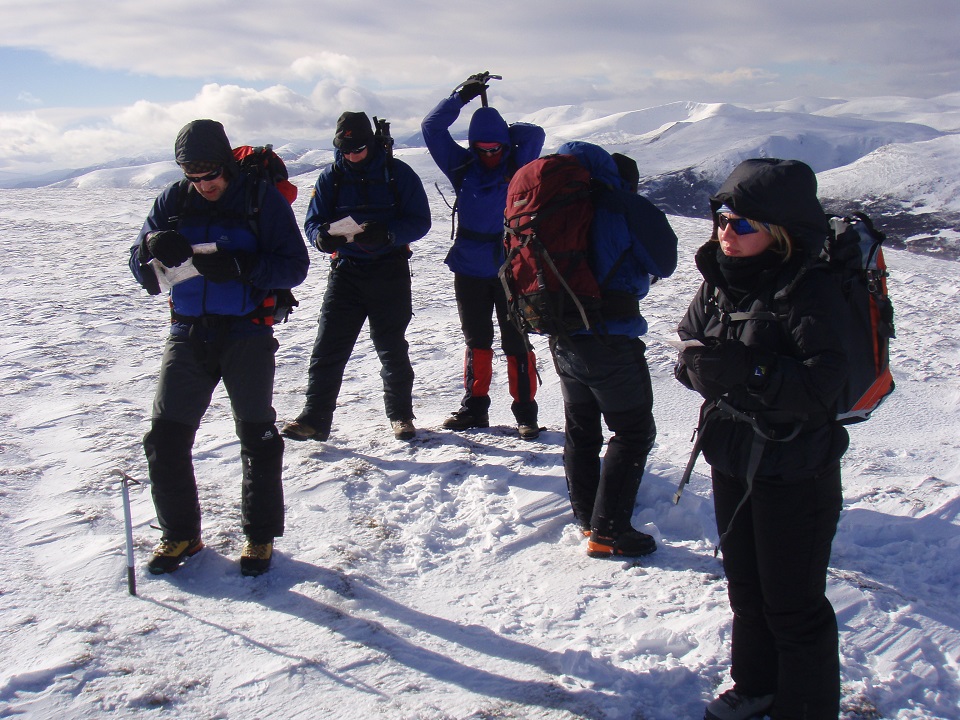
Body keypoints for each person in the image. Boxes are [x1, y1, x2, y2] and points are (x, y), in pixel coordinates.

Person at [673, 158, 849, 720]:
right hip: (730, 457)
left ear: (779, 232)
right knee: (747, 592)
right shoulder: (720, 281)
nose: (727, 232)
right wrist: (702, 369)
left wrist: (747, 372)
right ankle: (757, 686)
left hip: (796, 469)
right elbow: (689, 343)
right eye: (723, 218)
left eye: (743, 224)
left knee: (793, 605)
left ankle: (806, 708)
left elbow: (828, 388)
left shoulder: (812, 290)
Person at [129, 119, 310, 576]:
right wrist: (152, 244)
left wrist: (244, 266)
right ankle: (181, 533)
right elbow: (137, 260)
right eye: (193, 176)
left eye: (210, 175)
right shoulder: (173, 200)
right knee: (164, 437)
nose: (203, 185)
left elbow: (295, 267)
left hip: (246, 332)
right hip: (188, 332)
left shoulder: (259, 199)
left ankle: (259, 537)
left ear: (227, 165)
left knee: (257, 436)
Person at [549, 142, 678, 558]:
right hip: (610, 337)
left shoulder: (551, 203)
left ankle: (588, 514)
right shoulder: (622, 206)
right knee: (634, 431)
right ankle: (609, 530)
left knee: (582, 428)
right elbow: (664, 261)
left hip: (561, 335)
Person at [281, 112, 431, 443]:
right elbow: (312, 222)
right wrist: (321, 237)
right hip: (346, 273)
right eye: (345, 150)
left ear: (372, 144)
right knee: (328, 348)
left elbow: (421, 221)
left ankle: (401, 416)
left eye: (358, 149)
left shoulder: (397, 173)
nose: (352, 156)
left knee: (391, 347)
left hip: (389, 270)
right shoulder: (330, 178)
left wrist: (388, 234)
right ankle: (314, 419)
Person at [421, 72, 545, 440]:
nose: (490, 155)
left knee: (516, 339)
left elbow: (534, 133)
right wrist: (460, 97)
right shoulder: (461, 166)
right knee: (477, 340)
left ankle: (526, 413)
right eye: (482, 148)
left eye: (496, 148)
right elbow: (431, 128)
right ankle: (474, 409)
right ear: (473, 146)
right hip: (471, 267)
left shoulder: (519, 161)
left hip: (511, 267)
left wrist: (502, 129)